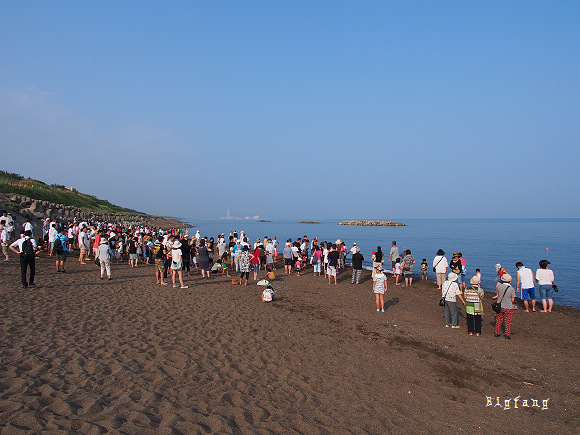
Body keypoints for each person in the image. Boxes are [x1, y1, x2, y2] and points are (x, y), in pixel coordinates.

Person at [494, 273, 516, 339]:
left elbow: (498, 294)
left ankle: (497, 332)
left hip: (500, 305)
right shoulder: (511, 289)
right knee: (508, 321)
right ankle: (507, 334)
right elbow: (513, 299)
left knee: (499, 320)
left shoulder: (500, 287)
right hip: (508, 306)